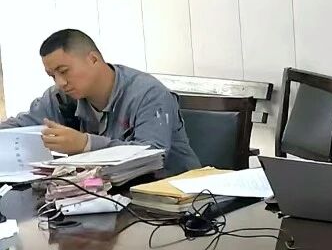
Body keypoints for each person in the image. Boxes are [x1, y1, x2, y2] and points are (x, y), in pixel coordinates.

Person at [0, 29, 199, 177]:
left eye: (64, 71)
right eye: (52, 76)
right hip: (107, 195)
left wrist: (86, 144)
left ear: (93, 59)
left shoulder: (148, 93)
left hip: (173, 199)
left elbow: (152, 155)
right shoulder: (61, 97)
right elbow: (23, 124)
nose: (60, 82)